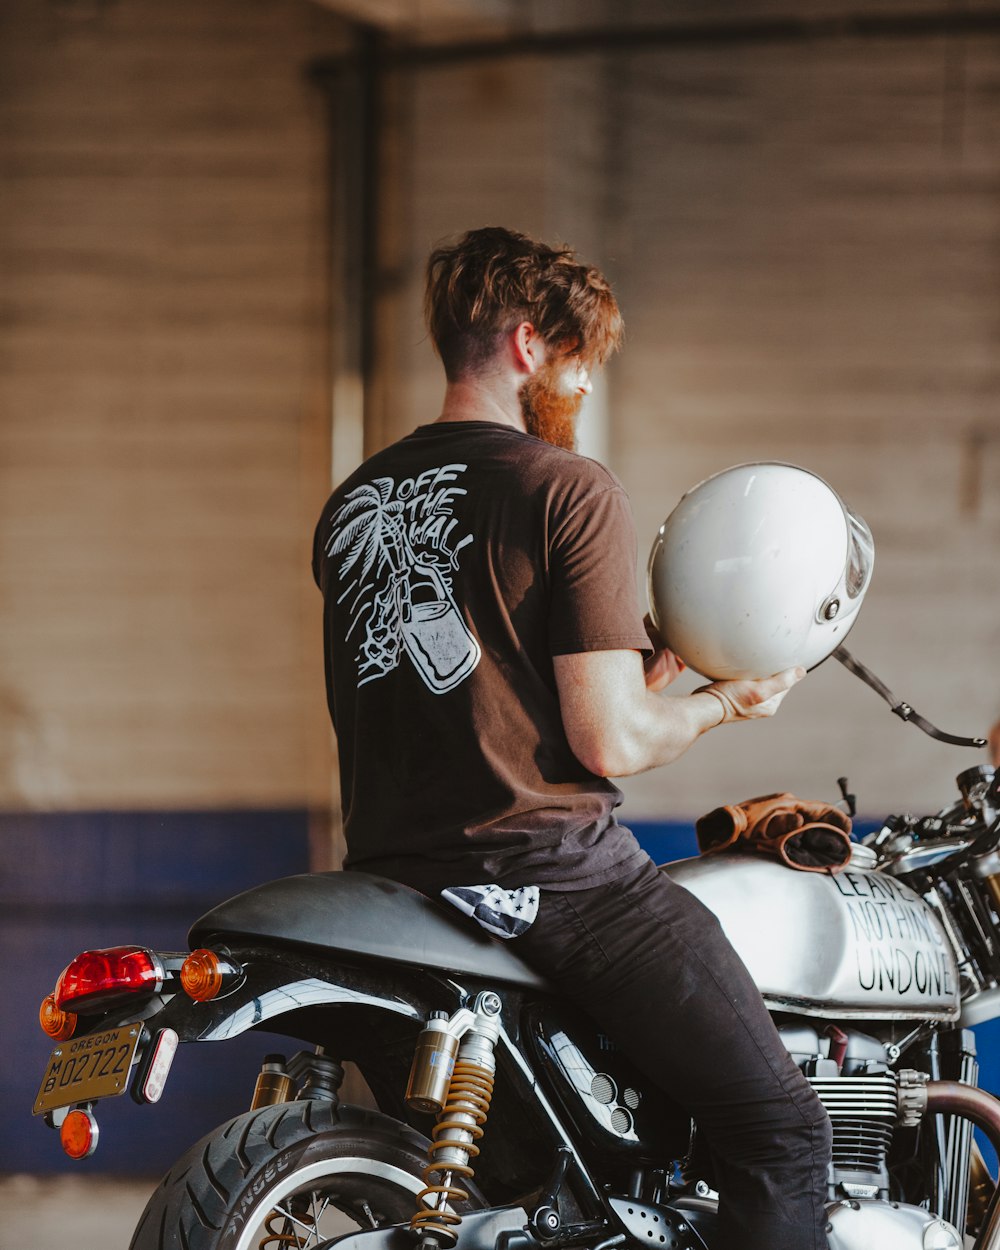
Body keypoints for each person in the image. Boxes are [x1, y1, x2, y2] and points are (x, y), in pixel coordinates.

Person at [313, 226, 832, 1250]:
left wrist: (658, 670)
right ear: (525, 343)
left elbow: (459, 697)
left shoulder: (353, 504)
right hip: (552, 875)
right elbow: (613, 742)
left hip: (392, 876)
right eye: (580, 360)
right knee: (779, 1130)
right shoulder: (562, 485)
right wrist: (729, 702)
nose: (584, 386)